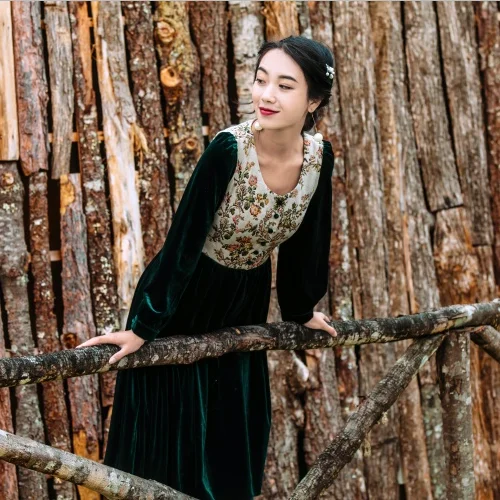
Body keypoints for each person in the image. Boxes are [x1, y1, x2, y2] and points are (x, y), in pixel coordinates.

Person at [76, 35, 337, 500]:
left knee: (226, 432)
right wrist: (144, 326)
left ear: (313, 101)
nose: (266, 95)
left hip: (245, 298)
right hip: (186, 297)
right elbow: (183, 242)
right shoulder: (229, 150)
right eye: (261, 80)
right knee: (170, 437)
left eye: (285, 86)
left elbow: (308, 243)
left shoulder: (319, 159)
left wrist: (301, 310)